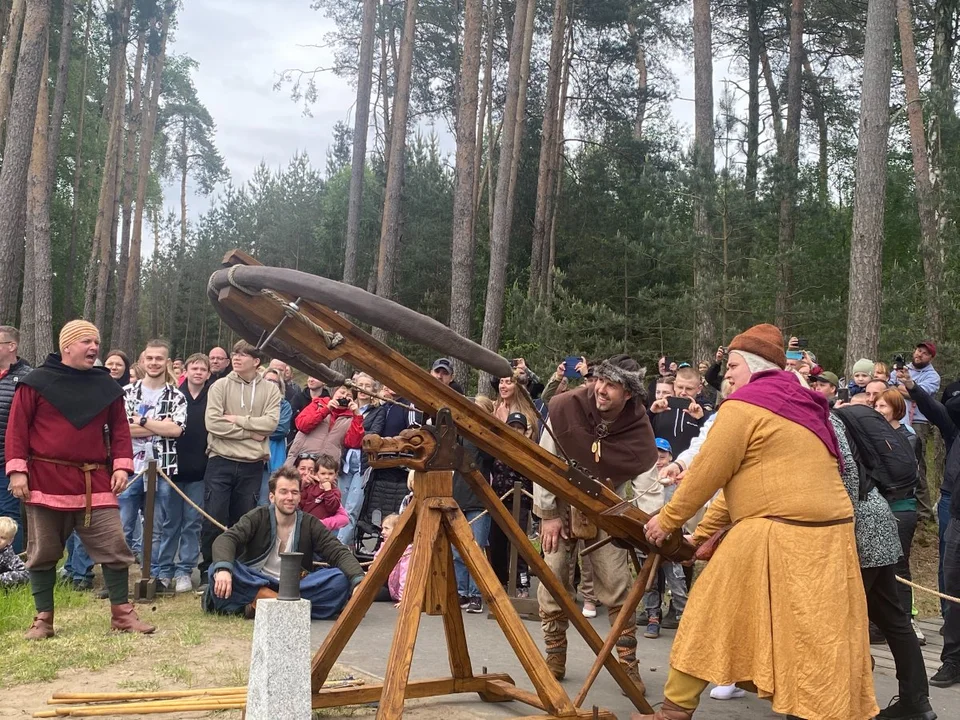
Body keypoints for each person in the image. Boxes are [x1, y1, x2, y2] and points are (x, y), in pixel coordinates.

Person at [640, 323, 876, 720]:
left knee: (705, 612)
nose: (726, 374)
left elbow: (709, 472)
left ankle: (672, 712)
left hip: (778, 532)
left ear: (755, 367)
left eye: (732, 365)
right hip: (828, 539)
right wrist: (697, 536)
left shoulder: (747, 406)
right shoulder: (798, 406)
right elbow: (742, 485)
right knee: (814, 637)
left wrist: (668, 519)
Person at [6, 320, 154, 639]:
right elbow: (17, 429)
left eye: (97, 342)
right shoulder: (35, 382)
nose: (94, 348)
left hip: (94, 480)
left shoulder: (106, 387)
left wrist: (120, 466)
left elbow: (119, 430)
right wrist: (17, 469)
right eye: (87, 341)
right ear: (67, 346)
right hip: (45, 479)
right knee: (43, 551)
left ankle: (122, 614)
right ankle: (43, 619)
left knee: (114, 544)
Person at [534, 355, 661, 693]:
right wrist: (547, 514)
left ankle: (628, 664)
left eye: (612, 385)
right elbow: (544, 464)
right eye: (600, 381)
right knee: (553, 579)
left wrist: (648, 528)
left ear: (629, 393)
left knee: (618, 584)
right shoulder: (565, 405)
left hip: (607, 507)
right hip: (560, 505)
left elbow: (648, 482)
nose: (601, 390)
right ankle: (554, 656)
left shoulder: (638, 424)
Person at [829, 391, 935, 719]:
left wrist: (839, 527)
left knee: (838, 620)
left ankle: (839, 704)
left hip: (861, 527)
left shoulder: (827, 421)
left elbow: (847, 478)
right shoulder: (834, 418)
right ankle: (916, 703)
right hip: (877, 518)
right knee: (893, 618)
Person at [204, 466, 364, 620]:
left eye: (295, 492)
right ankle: (289, 606)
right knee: (216, 570)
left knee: (340, 579)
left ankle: (261, 603)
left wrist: (358, 581)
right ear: (272, 497)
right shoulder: (258, 516)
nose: (290, 497)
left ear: (300, 497)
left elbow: (338, 552)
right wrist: (224, 569)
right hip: (256, 581)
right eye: (284, 492)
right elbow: (227, 539)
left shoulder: (310, 523)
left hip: (296, 587)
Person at [199, 341, 282, 585]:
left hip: (252, 463)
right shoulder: (219, 386)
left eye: (243, 354)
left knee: (244, 521)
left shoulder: (270, 390)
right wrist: (250, 432)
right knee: (213, 517)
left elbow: (270, 425)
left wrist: (236, 419)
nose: (236, 358)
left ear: (256, 361)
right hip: (220, 460)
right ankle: (209, 570)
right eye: (234, 353)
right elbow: (213, 424)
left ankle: (239, 571)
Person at [900, 371, 960, 688]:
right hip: (958, 513)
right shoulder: (956, 430)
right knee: (952, 585)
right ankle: (953, 660)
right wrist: (911, 388)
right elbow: (937, 412)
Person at [121, 340, 187, 591]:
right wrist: (157, 424)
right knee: (124, 524)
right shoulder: (127, 392)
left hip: (163, 468)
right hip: (129, 468)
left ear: (167, 362)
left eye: (159, 359)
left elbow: (176, 430)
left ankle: (156, 576)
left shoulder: (176, 395)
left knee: (158, 525)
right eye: (150, 358)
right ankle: (118, 577)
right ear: (142, 360)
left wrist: (142, 420)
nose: (154, 363)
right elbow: (122, 429)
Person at [875, 388, 926, 645]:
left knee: (899, 565)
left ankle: (905, 620)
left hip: (901, 508)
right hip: (880, 508)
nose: (879, 411)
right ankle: (882, 622)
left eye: (883, 406)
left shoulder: (908, 438)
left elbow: (903, 476)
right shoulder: (875, 436)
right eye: (876, 406)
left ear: (896, 409)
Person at [159, 353, 210, 593]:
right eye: (194, 368)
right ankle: (164, 571)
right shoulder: (173, 396)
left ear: (208, 374)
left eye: (203, 369)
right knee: (170, 523)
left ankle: (185, 570)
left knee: (192, 523)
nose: (198, 372)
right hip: (172, 469)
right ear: (186, 371)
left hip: (199, 470)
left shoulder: (212, 398)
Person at [642, 438, 689, 640]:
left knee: (676, 580)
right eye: (655, 457)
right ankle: (652, 617)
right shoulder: (644, 480)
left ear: (671, 458)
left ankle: (685, 617)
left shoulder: (679, 482)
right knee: (649, 581)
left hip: (672, 540)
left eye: (662, 457)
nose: (659, 461)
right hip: (647, 538)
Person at [892, 341, 941, 522]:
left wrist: (904, 388)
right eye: (918, 350)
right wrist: (904, 388)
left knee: (918, 466)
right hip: (896, 420)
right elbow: (889, 387)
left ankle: (924, 512)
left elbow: (919, 394)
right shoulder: (901, 369)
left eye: (925, 353)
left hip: (918, 422)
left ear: (931, 358)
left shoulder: (933, 377)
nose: (919, 354)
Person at [488, 412, 534, 598]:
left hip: (520, 501)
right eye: (512, 426)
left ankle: (521, 582)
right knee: (496, 542)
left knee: (518, 543)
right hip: (499, 499)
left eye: (519, 427)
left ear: (525, 431)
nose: (515, 430)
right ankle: (500, 580)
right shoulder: (497, 447)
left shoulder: (529, 450)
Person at [338, 373, 386, 546]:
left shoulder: (378, 411)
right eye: (360, 385)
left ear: (374, 390)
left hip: (362, 465)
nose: (363, 390)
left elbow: (373, 435)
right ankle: (330, 546)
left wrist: (355, 433)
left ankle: (339, 548)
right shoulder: (346, 408)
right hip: (343, 464)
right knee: (338, 506)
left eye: (367, 386)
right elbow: (340, 433)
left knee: (352, 508)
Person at [0, 326, 32, 555]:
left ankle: (14, 564)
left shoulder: (29, 377)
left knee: (8, 514)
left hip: (8, 460)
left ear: (11, 346)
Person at [259, 368, 292, 505]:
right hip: (252, 458)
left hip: (274, 459)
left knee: (266, 502)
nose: (271, 384)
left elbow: (281, 430)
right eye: (267, 380)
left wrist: (255, 429)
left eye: (275, 382)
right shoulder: (253, 403)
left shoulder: (284, 406)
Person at [296, 453, 348, 531]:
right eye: (323, 474)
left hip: (323, 530)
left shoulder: (335, 492)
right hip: (305, 525)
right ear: (317, 474)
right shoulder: (310, 487)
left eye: (330, 474)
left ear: (335, 475)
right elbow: (300, 504)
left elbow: (333, 509)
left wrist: (328, 491)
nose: (327, 477)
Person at [377, 513, 412, 604]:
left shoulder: (407, 550)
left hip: (394, 590)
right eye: (382, 528)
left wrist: (402, 598)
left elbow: (405, 575)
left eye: (386, 529)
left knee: (365, 594)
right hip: (388, 583)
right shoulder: (385, 545)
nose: (382, 532)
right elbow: (376, 561)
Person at [0, 516, 28, 588]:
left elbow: (25, 574)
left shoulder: (8, 555)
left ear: (10, 541)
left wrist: (3, 578)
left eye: (2, 538)